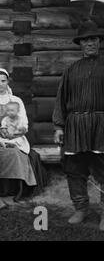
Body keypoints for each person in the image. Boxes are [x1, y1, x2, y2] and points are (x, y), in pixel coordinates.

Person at [53, 20, 104, 230]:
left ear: (99, 41)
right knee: (74, 168)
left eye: (93, 39)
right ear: (80, 44)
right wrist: (58, 127)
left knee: (103, 168)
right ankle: (81, 208)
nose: (89, 43)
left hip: (101, 124)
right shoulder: (71, 70)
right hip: (75, 125)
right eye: (85, 40)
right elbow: (60, 99)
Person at [0, 68, 46, 201]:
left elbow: (24, 124)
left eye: (3, 81)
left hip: (14, 134)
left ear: (8, 81)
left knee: (17, 153)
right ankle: (0, 188)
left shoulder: (16, 100)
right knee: (2, 153)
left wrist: (14, 133)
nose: (0, 84)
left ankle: (20, 188)